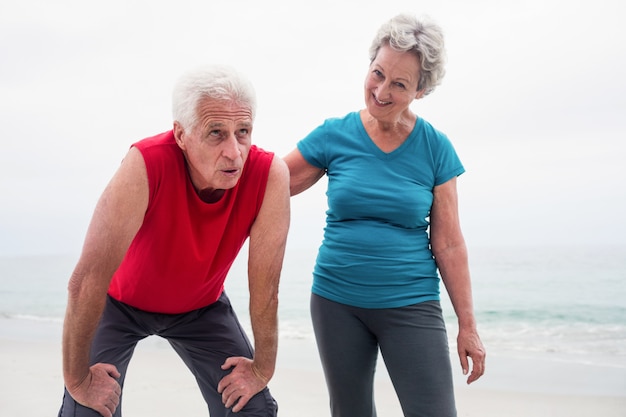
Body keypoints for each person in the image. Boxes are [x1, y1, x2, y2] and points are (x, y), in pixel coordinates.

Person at [58, 65, 290, 417]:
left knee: (252, 408)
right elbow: (86, 280)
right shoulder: (146, 164)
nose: (234, 152)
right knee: (88, 409)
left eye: (242, 132)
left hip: (202, 309)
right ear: (181, 135)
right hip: (119, 305)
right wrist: (77, 381)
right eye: (216, 133)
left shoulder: (269, 174)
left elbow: (266, 290)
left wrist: (262, 369)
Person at [283, 13, 486, 417]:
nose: (381, 91)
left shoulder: (435, 148)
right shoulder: (334, 134)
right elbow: (269, 184)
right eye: (377, 74)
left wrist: (467, 324)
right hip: (335, 300)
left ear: (421, 91)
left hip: (411, 303)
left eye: (399, 84)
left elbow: (447, 243)